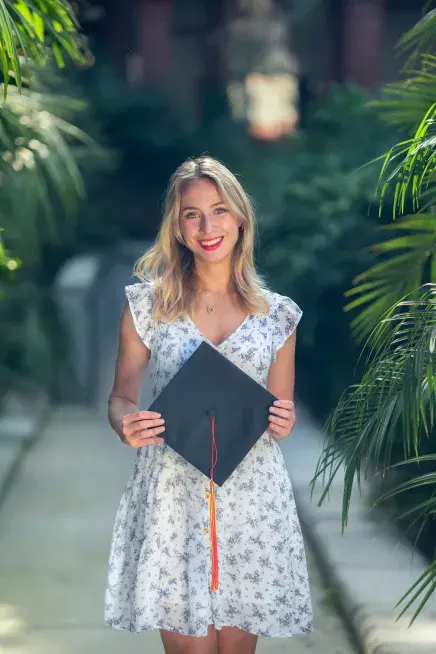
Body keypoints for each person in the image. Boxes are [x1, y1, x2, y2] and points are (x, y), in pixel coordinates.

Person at [104, 156, 313, 653]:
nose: (207, 226)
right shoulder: (146, 306)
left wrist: (284, 418)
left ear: (241, 219)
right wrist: (125, 424)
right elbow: (120, 397)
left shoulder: (277, 315)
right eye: (191, 214)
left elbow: (281, 410)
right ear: (177, 227)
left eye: (219, 210)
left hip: (252, 500)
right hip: (172, 498)